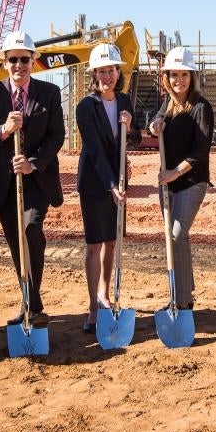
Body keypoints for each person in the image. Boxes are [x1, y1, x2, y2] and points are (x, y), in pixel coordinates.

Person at [0, 31, 65, 328]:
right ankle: (32, 303)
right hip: (5, 181)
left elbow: (56, 137)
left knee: (31, 231)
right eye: (13, 59)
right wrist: (3, 129)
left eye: (24, 59)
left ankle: (32, 302)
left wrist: (33, 162)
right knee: (16, 242)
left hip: (37, 180)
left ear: (33, 61)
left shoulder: (49, 93)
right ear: (5, 62)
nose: (18, 65)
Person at [75, 43, 141, 333]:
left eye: (111, 70)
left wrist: (130, 127)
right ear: (93, 74)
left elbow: (135, 140)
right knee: (94, 244)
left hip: (119, 182)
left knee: (112, 242)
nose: (106, 75)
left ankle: (105, 294)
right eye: (101, 71)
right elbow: (95, 149)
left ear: (118, 72)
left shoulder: (125, 101)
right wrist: (110, 185)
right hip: (94, 181)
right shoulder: (85, 106)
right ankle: (92, 307)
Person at [148, 46, 214, 311]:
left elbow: (201, 151)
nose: (179, 80)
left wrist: (175, 172)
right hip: (169, 180)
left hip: (191, 180)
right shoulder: (168, 103)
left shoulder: (201, 107)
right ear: (167, 77)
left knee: (176, 234)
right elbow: (158, 120)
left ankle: (181, 297)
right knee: (176, 237)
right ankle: (183, 296)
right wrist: (155, 125)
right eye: (173, 75)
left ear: (192, 76)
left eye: (184, 74)